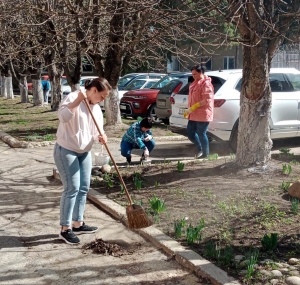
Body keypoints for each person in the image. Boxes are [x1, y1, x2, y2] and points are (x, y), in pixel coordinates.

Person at [53, 77, 112, 245]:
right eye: (102, 96)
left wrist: (101, 137)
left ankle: (78, 223)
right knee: (72, 188)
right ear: (94, 91)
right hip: (66, 150)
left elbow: (95, 130)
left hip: (84, 152)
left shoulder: (96, 109)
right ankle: (65, 229)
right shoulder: (73, 97)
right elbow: (63, 117)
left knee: (84, 187)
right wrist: (78, 101)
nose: (102, 100)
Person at [184, 65, 214, 159]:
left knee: (201, 133)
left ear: (201, 72)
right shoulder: (195, 82)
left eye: (195, 74)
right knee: (190, 133)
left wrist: (193, 107)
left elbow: (206, 100)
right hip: (193, 113)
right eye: (192, 74)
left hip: (203, 113)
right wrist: (189, 109)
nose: (193, 76)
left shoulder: (206, 84)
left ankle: (206, 154)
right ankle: (200, 148)